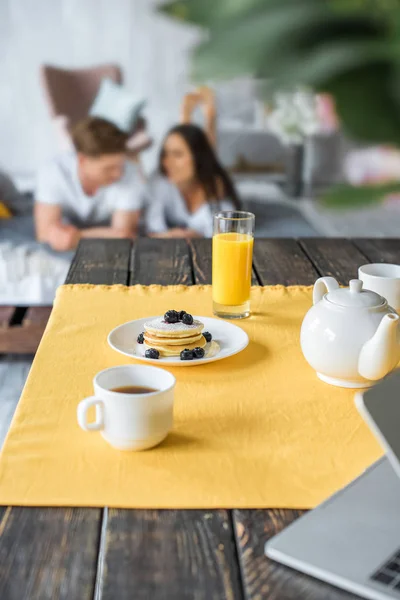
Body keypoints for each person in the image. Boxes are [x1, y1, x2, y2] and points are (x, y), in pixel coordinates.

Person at [142, 88, 240, 238]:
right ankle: (196, 115)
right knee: (184, 141)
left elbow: (225, 238)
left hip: (206, 181)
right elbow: (152, 232)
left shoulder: (218, 191)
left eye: (177, 155)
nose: (167, 162)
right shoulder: (160, 180)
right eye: (165, 154)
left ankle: (209, 115)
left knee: (194, 149)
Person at [35, 117, 143, 251]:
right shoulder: (53, 171)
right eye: (108, 168)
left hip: (71, 231)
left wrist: (76, 237)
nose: (118, 174)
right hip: (98, 229)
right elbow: (44, 235)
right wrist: (106, 234)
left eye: (120, 166)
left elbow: (123, 237)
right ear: (82, 160)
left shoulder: (131, 173)